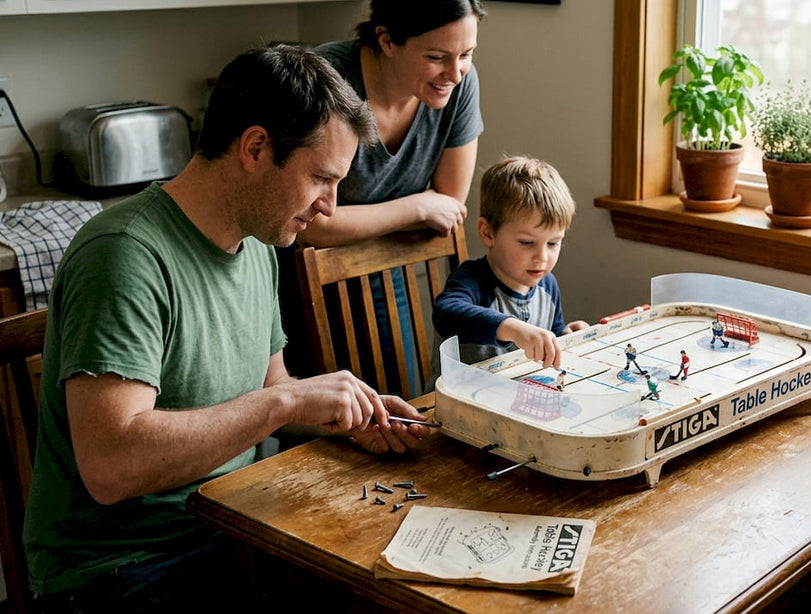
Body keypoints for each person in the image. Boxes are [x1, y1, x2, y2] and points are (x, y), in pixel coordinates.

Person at [23, 45, 431, 612]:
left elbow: (267, 391)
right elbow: (112, 466)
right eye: (320, 178)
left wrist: (341, 419)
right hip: (122, 570)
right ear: (256, 148)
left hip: (231, 525)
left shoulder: (257, 245)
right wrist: (287, 402)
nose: (330, 208)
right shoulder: (124, 256)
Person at [277, 0, 487, 392]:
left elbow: (451, 207)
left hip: (386, 270)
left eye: (466, 54)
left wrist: (358, 224)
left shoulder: (459, 85)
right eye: (436, 56)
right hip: (294, 278)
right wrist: (417, 206)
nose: (455, 73)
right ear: (387, 40)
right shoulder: (326, 80)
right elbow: (312, 224)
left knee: (399, 405)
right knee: (316, 417)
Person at [432, 155, 588, 368]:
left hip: (514, 394)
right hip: (458, 397)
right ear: (487, 233)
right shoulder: (471, 279)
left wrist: (565, 337)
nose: (542, 257)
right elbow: (447, 313)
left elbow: (552, 331)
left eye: (553, 243)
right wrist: (513, 328)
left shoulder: (548, 285)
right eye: (526, 242)